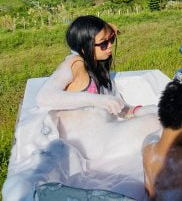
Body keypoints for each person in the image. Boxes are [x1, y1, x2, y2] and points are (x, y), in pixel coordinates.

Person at [35, 15, 159, 159]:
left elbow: (119, 107)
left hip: (102, 135)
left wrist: (138, 110)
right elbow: (43, 97)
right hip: (85, 144)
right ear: (84, 47)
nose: (110, 46)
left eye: (111, 40)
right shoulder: (75, 64)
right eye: (104, 44)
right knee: (155, 123)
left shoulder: (98, 67)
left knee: (159, 119)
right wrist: (98, 100)